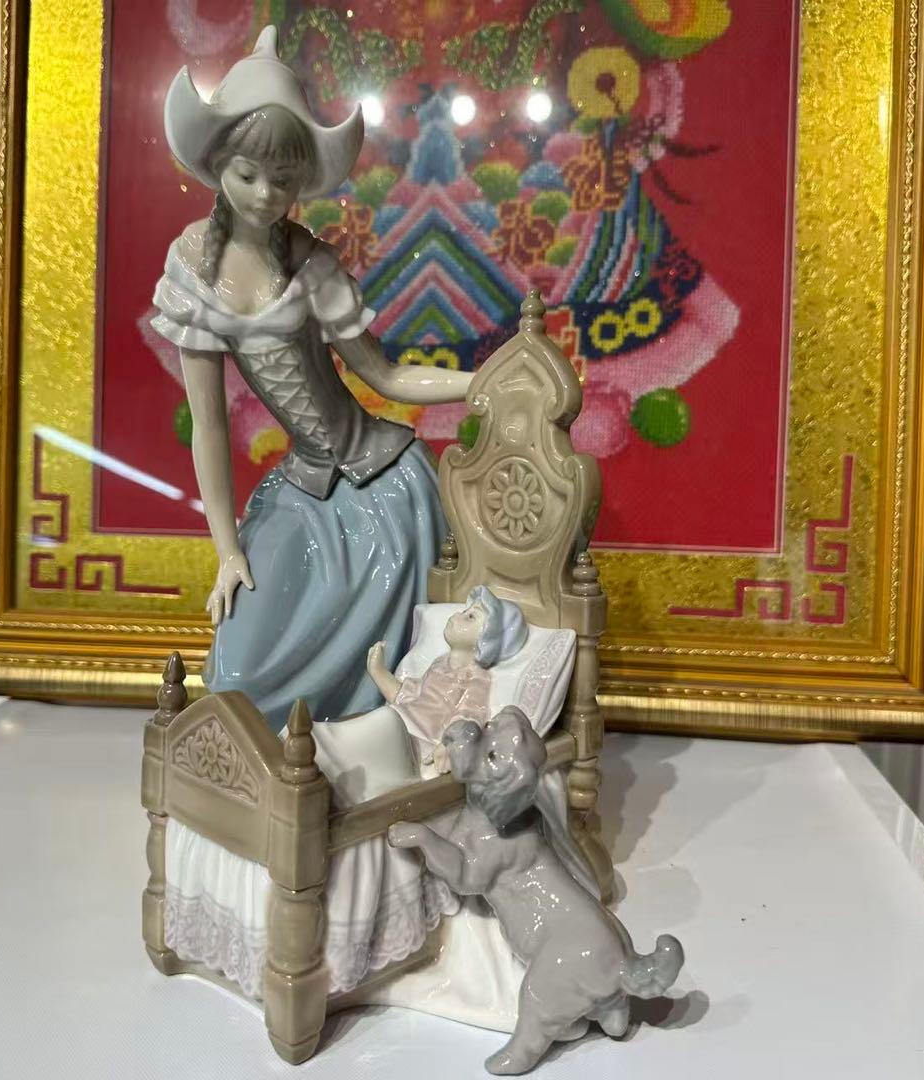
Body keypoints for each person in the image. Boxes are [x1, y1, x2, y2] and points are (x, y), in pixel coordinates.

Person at [152, 27, 472, 730]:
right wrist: (227, 551)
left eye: (285, 179)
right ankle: (270, 763)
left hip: (386, 486)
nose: (266, 194)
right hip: (302, 488)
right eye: (248, 174)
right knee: (237, 666)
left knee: (395, 651)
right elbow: (209, 426)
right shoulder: (193, 270)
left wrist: (480, 385)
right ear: (218, 164)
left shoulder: (313, 263)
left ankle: (363, 755)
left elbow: (384, 374)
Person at [366, 586, 529, 772]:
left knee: (378, 726)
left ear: (486, 641)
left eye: (470, 617)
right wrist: (378, 671)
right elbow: (408, 695)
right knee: (375, 722)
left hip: (417, 737)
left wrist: (450, 744)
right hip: (401, 719)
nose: (457, 614)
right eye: (465, 611)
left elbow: (469, 716)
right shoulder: (439, 663)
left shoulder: (477, 677)